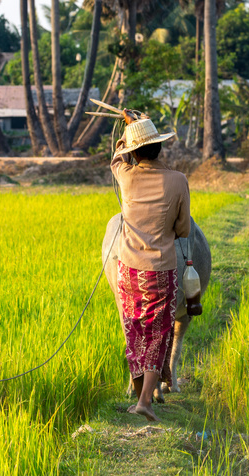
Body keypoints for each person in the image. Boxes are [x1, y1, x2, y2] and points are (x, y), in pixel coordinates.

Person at [109, 108, 191, 422]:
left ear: (133, 150)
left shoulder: (125, 176)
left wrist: (129, 129)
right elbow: (183, 229)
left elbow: (117, 158)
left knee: (135, 329)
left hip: (128, 269)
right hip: (161, 271)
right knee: (158, 333)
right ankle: (145, 401)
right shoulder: (177, 180)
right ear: (160, 147)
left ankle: (140, 388)